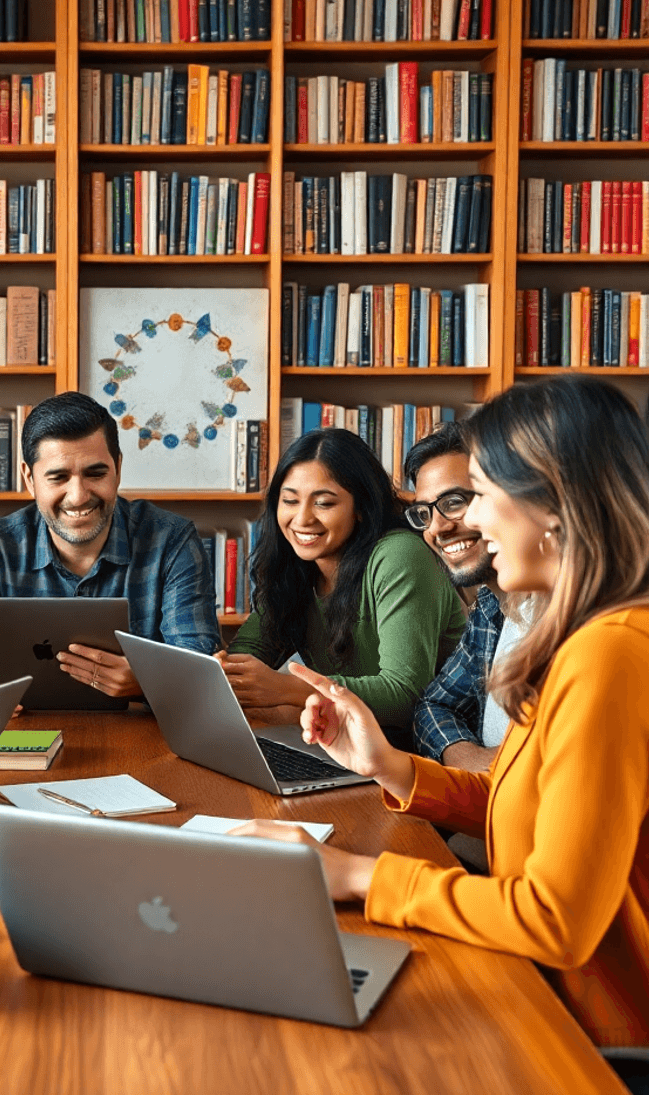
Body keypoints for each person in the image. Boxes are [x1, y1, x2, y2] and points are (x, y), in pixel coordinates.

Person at [234, 376, 649, 1065]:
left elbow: (554, 921)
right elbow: (534, 806)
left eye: (480, 493)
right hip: (533, 988)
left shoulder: (611, 655)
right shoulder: (580, 638)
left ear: (555, 500)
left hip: (589, 1037)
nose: (469, 525)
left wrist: (358, 877)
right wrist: (388, 766)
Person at [0, 392, 221, 699]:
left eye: (95, 474)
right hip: (20, 731)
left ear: (118, 469)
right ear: (29, 479)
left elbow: (199, 663)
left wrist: (146, 679)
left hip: (142, 733)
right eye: (58, 477)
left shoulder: (172, 540)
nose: (78, 495)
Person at [221, 428, 465, 733]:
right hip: (350, 744)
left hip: (421, 753)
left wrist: (286, 690)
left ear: (360, 507)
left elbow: (404, 695)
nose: (302, 519)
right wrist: (226, 671)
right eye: (290, 501)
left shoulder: (400, 555)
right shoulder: (296, 567)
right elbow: (248, 653)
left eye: (323, 503)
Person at [404, 422, 519, 770]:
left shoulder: (575, 621)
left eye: (455, 502)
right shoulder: (490, 608)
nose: (437, 528)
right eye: (425, 513)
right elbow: (433, 706)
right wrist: (474, 760)